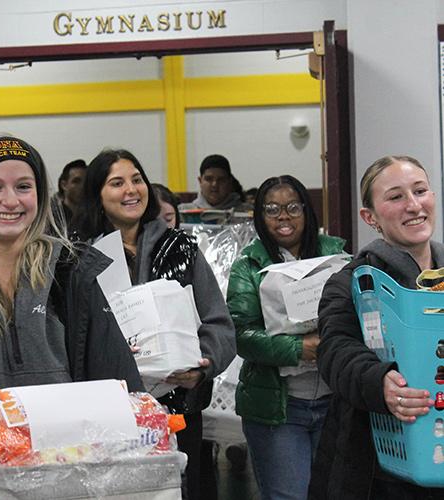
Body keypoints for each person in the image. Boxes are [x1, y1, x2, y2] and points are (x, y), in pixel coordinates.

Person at [0, 133, 143, 493]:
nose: (10, 201)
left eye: (24, 186)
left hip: (75, 481)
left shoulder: (71, 273)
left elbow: (119, 384)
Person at [71, 148, 236, 500]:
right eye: (117, 183)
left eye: (137, 179)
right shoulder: (76, 256)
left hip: (176, 409)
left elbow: (219, 323)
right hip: (106, 417)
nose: (131, 190)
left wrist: (202, 366)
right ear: (98, 195)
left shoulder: (182, 248)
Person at [309, 155, 444, 499]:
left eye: (420, 191)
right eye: (396, 197)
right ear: (370, 217)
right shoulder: (353, 282)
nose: (413, 205)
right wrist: (378, 381)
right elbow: (335, 350)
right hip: (376, 467)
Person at [226, 175, 345, 500]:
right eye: (272, 209)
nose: (283, 216)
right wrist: (299, 348)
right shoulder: (247, 266)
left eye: (293, 207)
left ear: (307, 210)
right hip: (278, 408)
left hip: (335, 402)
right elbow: (241, 335)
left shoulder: (337, 255)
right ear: (260, 216)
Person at [178, 154, 251, 212]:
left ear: (229, 182)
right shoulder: (183, 212)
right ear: (200, 181)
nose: (214, 184)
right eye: (209, 179)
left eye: (221, 180)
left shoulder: (246, 213)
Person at [53, 158, 87, 226]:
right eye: (76, 181)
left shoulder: (92, 218)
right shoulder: (54, 218)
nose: (82, 186)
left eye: (86, 181)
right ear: (64, 185)